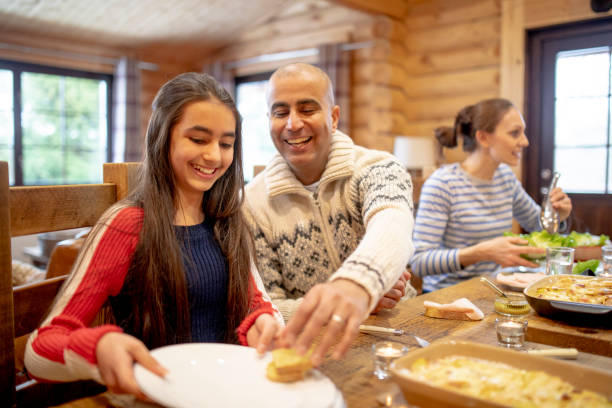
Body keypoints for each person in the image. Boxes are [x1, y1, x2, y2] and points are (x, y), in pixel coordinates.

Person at [24, 72, 283, 398]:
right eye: (199, 140)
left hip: (231, 394)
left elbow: (263, 307)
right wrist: (98, 347)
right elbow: (37, 351)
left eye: (226, 144)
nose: (215, 156)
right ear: (163, 137)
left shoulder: (229, 221)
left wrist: (265, 324)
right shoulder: (125, 225)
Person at [243, 63, 415, 367]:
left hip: (402, 333)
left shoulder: (380, 167)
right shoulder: (251, 203)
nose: (293, 124)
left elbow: (393, 224)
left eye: (307, 109)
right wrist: (353, 305)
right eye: (280, 113)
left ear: (333, 117)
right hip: (317, 351)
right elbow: (268, 306)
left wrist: (358, 284)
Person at [410, 98, 572, 292]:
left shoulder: (506, 179)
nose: (525, 141)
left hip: (492, 291)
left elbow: (538, 226)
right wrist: (481, 252)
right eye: (515, 133)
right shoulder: (443, 184)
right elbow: (419, 262)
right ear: (483, 138)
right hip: (446, 298)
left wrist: (557, 217)